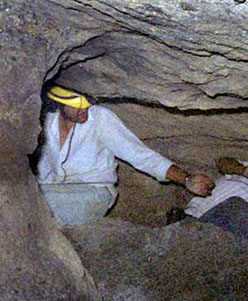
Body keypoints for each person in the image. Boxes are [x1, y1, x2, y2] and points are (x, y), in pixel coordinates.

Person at [35, 85, 215, 225]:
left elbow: (140, 155)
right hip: (54, 189)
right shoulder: (46, 122)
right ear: (59, 102)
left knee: (35, 203)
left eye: (87, 102)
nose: (85, 108)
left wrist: (186, 179)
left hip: (93, 193)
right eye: (77, 104)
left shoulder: (100, 118)